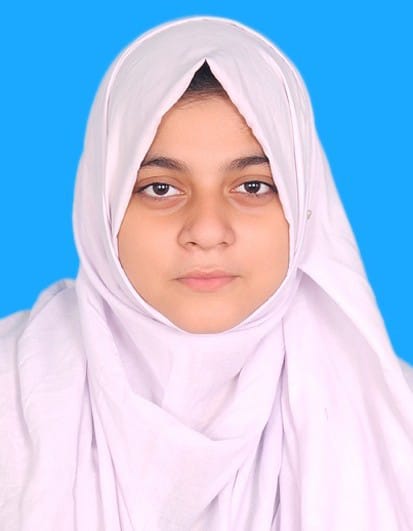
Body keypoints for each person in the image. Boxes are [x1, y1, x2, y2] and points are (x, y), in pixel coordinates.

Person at [1, 15, 412, 531]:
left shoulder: (395, 424)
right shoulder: (11, 393)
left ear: (305, 204)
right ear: (101, 210)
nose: (207, 230)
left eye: (253, 186)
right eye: (160, 188)